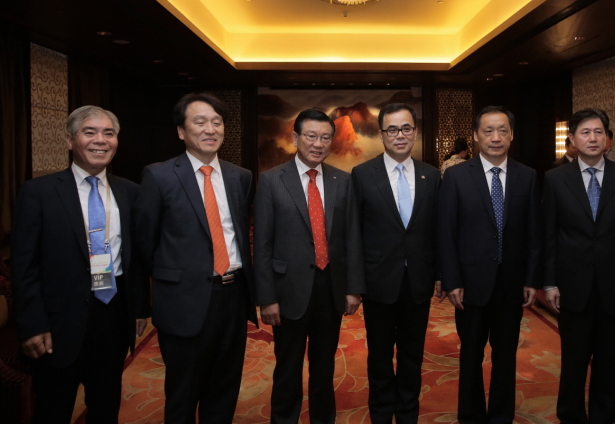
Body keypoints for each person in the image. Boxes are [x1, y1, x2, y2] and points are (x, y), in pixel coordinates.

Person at [12, 105, 149, 424]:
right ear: (69, 140)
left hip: (112, 315)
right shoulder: (38, 192)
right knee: (53, 408)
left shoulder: (130, 192)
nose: (100, 140)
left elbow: (136, 258)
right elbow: (24, 266)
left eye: (109, 133)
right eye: (90, 132)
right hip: (57, 322)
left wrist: (139, 309)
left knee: (105, 405)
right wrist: (32, 324)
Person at [134, 92, 256, 424]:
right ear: (181, 131)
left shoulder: (239, 177)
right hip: (183, 299)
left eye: (217, 122)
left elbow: (238, 235)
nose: (210, 129)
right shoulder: (159, 176)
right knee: (183, 392)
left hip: (232, 295)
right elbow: (145, 243)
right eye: (200, 121)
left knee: (225, 387)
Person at [253, 108, 365, 424]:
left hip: (330, 289)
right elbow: (261, 245)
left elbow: (352, 238)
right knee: (287, 367)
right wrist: (267, 297)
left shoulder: (343, 181)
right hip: (288, 291)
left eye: (325, 137)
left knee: (324, 366)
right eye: (311, 136)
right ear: (295, 138)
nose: (318, 143)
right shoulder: (272, 181)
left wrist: (354, 288)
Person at [544, 108, 615, 424]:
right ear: (573, 140)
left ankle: (604, 416)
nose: (592, 138)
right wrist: (549, 282)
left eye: (598, 132)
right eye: (585, 132)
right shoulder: (554, 178)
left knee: (607, 360)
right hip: (571, 285)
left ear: (608, 139)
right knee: (574, 360)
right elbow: (548, 235)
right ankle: (570, 416)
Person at [437, 105, 542, 424]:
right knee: (470, 356)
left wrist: (531, 278)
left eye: (502, 131)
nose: (495, 137)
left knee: (505, 357)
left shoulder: (528, 175)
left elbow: (534, 233)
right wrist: (451, 279)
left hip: (511, 283)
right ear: (476, 136)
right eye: (488, 131)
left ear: (511, 134)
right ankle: (470, 416)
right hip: (469, 285)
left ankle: (500, 416)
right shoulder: (455, 175)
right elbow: (445, 232)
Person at [351, 103, 441, 423]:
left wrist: (440, 274)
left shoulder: (431, 175)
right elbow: (354, 234)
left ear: (415, 132)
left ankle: (407, 415)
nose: (399, 135)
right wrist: (355, 283)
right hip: (378, 281)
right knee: (379, 357)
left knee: (412, 357)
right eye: (392, 129)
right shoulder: (362, 175)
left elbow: (438, 230)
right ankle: (380, 415)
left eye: (406, 128)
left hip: (418, 280)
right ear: (381, 134)